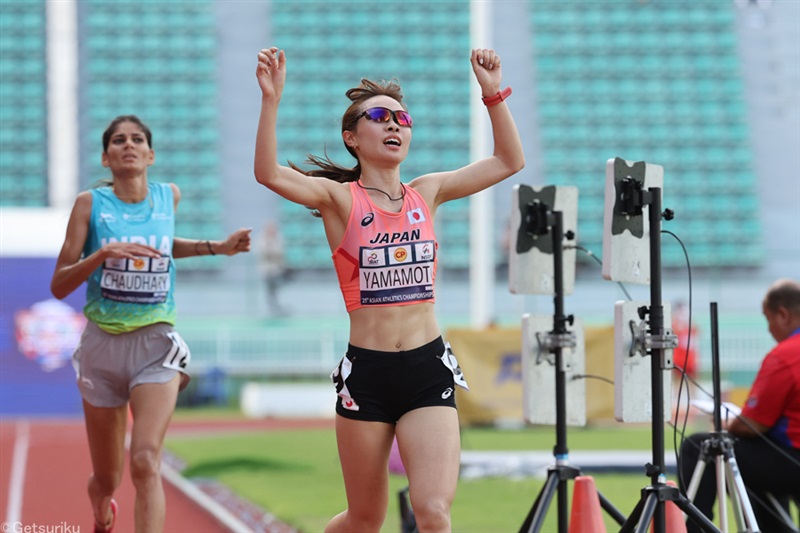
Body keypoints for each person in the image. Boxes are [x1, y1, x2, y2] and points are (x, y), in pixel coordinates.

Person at [254, 47, 524, 532]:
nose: (395, 124)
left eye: (402, 117)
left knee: (435, 513)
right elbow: (269, 174)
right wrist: (271, 100)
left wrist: (492, 92)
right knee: (364, 520)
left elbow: (509, 160)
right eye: (379, 116)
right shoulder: (338, 198)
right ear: (352, 138)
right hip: (368, 375)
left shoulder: (429, 191)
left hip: (426, 367)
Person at [50, 115, 251, 533]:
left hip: (156, 344)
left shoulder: (167, 197)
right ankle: (101, 505)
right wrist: (100, 256)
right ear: (106, 158)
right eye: (119, 141)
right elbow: (58, 283)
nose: (129, 145)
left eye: (137, 139)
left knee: (145, 461)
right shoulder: (90, 204)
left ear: (150, 154)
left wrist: (219, 247)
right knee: (108, 476)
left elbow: (163, 246)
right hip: (102, 347)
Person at [679, 278, 800, 533]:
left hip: (793, 460)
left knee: (702, 446)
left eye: (768, 319)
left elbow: (753, 424)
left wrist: (726, 424)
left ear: (783, 315)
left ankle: (696, 528)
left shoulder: (786, 355)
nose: (768, 329)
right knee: (753, 460)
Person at [258, 220, 287, 316]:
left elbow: (279, 253)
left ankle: (278, 309)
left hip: (277, 271)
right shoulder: (262, 239)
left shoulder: (278, 239)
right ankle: (272, 310)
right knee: (270, 292)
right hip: (267, 271)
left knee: (276, 291)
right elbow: (262, 253)